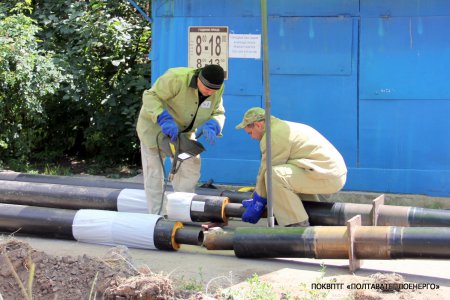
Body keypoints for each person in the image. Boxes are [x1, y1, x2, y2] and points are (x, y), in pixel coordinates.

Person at [136, 64, 226, 215]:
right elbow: (150, 96)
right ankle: (157, 217)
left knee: (189, 169)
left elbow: (218, 111)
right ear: (199, 78)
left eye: (213, 91)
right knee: (154, 175)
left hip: (183, 134)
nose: (209, 92)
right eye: (206, 88)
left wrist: (214, 124)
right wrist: (162, 117)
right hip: (154, 131)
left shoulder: (216, 90)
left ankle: (182, 211)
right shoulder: (177, 78)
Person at [235, 107, 347, 227]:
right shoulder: (283, 127)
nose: (252, 137)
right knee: (285, 175)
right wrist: (256, 198)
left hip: (328, 176)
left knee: (274, 175)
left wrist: (258, 202)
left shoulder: (273, 136)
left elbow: (265, 170)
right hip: (328, 173)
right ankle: (314, 218)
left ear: (257, 125)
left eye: (250, 133)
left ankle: (297, 226)